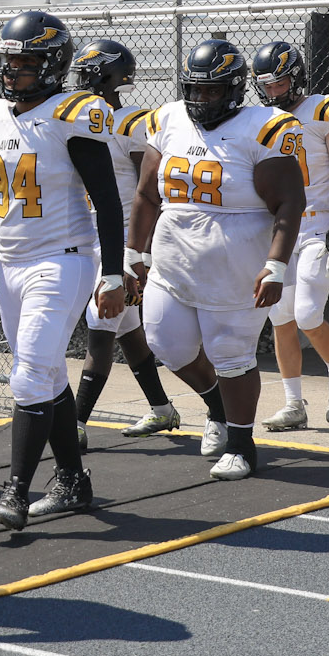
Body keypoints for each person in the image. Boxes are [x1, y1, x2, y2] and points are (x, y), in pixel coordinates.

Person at [0, 11, 127, 528]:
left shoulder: (71, 113)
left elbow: (108, 199)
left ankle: (15, 490)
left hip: (63, 257)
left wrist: (114, 273)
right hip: (9, 263)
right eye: (9, 61)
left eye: (27, 61)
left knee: (29, 372)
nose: (15, 71)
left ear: (54, 64)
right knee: (47, 372)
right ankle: (73, 481)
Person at [129, 41, 306, 479]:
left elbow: (289, 203)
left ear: (233, 90)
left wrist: (277, 265)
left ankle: (243, 446)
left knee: (231, 355)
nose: (200, 100)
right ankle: (217, 408)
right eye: (194, 89)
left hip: (236, 267)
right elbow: (147, 194)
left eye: (210, 92)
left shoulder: (265, 126)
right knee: (165, 343)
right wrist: (134, 254)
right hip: (172, 262)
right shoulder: (168, 119)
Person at [66, 38, 233, 449]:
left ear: (109, 75)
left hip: (125, 241)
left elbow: (152, 191)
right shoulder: (73, 118)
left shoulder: (133, 122)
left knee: (101, 327)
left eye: (87, 72)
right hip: (93, 239)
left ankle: (75, 422)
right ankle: (162, 407)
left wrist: (142, 252)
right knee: (126, 330)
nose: (79, 79)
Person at [249, 42, 329, 432]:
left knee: (308, 313)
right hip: (280, 227)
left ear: (296, 77)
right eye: (267, 85)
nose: (274, 92)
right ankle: (294, 404)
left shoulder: (326, 110)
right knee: (279, 315)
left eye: (280, 83)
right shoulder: (259, 118)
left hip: (318, 224)